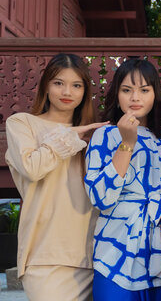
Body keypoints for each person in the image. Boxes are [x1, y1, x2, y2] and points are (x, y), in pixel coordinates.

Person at [5, 53, 107, 300]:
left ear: (85, 92)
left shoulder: (97, 134)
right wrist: (71, 138)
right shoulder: (22, 124)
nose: (67, 91)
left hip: (96, 255)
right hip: (45, 256)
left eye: (76, 85)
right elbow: (32, 168)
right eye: (58, 83)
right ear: (46, 86)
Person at [85, 58, 161, 300]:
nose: (135, 98)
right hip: (116, 247)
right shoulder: (105, 135)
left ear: (155, 94)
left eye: (144, 90)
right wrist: (127, 143)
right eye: (126, 90)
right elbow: (100, 197)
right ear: (117, 94)